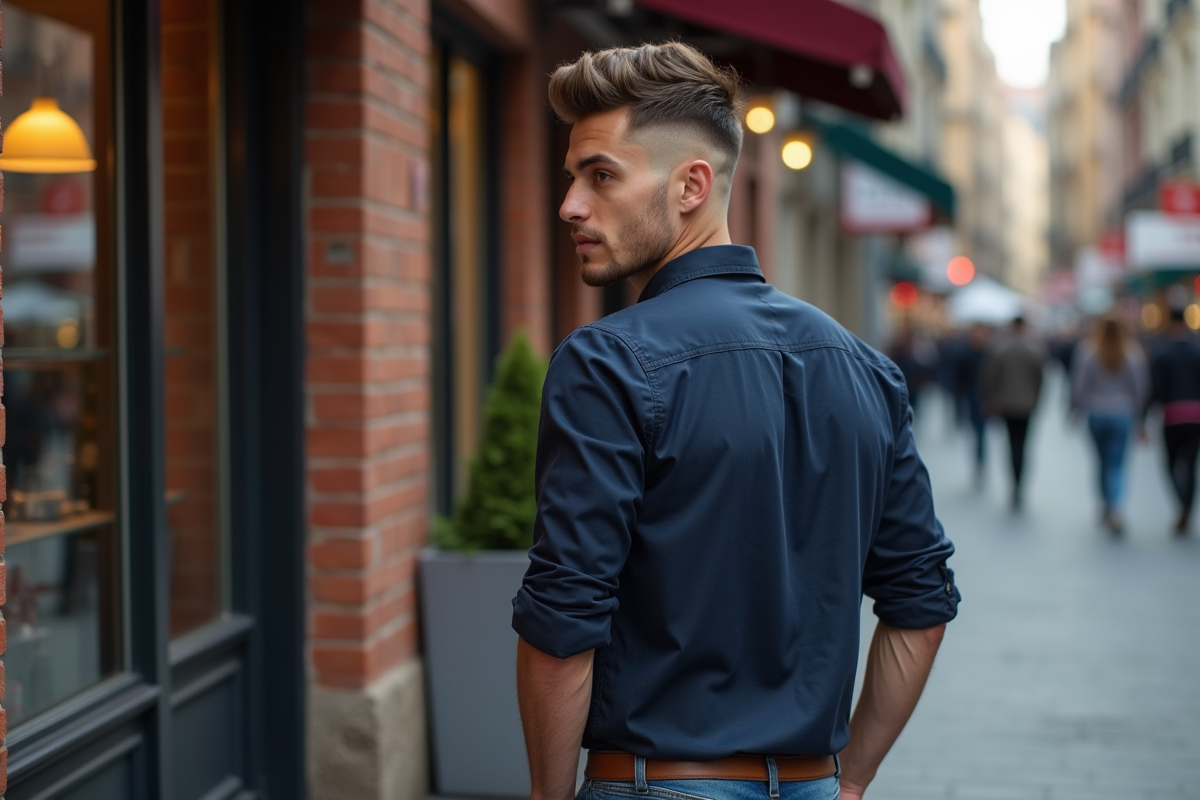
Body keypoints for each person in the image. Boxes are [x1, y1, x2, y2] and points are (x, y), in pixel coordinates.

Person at [511, 42, 959, 800]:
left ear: (691, 185)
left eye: (601, 175)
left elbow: (562, 628)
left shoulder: (607, 362)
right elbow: (920, 605)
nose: (571, 206)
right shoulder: (865, 368)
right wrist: (850, 784)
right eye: (573, 178)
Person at [1071, 317, 1150, 533]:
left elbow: (1079, 385)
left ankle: (1106, 504)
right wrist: (1140, 417)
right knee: (1117, 465)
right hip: (1122, 414)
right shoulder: (1132, 354)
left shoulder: (1088, 352)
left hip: (1096, 413)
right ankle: (1115, 506)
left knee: (1102, 462)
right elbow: (1139, 389)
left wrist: (1075, 410)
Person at [980, 316, 1044, 509]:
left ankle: (1014, 484)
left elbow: (990, 377)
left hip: (1006, 405)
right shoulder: (1033, 350)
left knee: (1011, 445)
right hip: (1026, 405)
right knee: (1022, 446)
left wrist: (991, 399)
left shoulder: (1000, 350)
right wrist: (1036, 400)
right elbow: (1039, 379)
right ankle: (1019, 484)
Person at [1149, 306, 1200, 535]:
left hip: (1172, 416)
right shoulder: (1196, 351)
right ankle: (1187, 508)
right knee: (1190, 465)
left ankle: (1181, 504)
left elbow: (1156, 389)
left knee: (1170, 464)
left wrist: (1143, 418)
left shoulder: (1162, 353)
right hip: (1195, 415)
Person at [954, 324, 990, 486]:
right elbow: (959, 376)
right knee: (977, 431)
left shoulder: (989, 353)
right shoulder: (966, 353)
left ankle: (980, 461)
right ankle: (979, 460)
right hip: (971, 396)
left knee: (981, 432)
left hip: (985, 397)